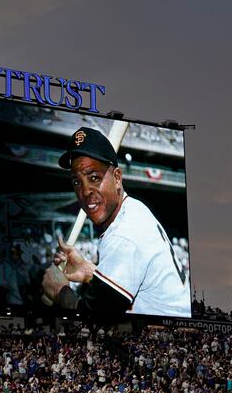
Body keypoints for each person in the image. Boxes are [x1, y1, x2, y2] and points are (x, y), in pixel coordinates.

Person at [41, 126, 190, 316]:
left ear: (117, 178)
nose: (85, 191)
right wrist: (90, 272)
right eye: (77, 182)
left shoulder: (124, 234)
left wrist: (59, 291)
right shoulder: (134, 208)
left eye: (94, 177)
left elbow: (94, 319)